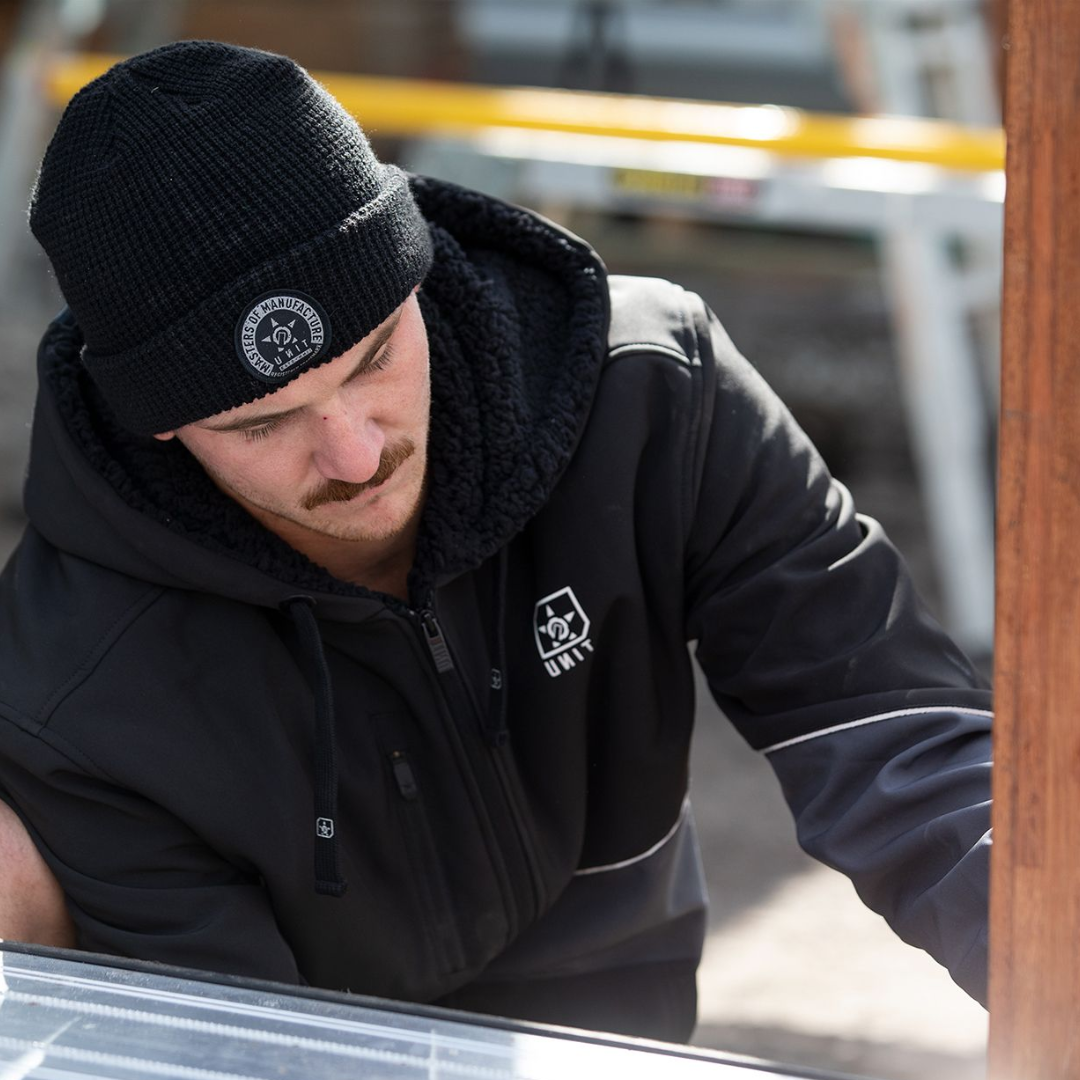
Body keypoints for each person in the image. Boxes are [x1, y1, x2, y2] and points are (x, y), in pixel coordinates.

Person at [0, 41, 992, 1041]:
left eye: (376, 355)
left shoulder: (651, 389)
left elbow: (900, 741)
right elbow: (242, 1051)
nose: (352, 453)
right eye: (263, 423)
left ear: (418, 273)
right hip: (334, 1050)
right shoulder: (76, 685)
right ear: (159, 425)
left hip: (619, 1028)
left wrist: (1048, 961)